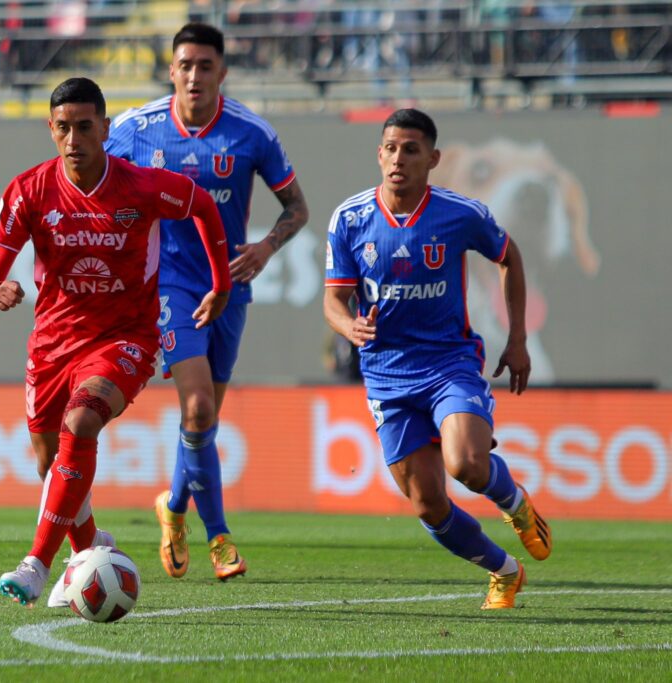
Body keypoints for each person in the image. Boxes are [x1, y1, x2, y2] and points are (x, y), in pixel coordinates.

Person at [0, 77, 231, 607]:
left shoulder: (141, 186)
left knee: (81, 421)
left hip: (125, 336)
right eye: (63, 127)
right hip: (51, 343)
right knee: (53, 466)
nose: (74, 138)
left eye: (85, 127)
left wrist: (220, 283)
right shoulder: (27, 191)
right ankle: (91, 549)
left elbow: (203, 204)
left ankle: (37, 566)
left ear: (105, 129)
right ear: (51, 129)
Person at [322, 108, 552, 609]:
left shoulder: (459, 213)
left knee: (467, 463)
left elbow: (509, 257)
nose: (398, 158)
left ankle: (514, 504)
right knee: (429, 504)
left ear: (433, 158)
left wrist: (517, 340)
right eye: (390, 148)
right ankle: (504, 571)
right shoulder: (350, 218)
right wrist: (348, 325)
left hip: (449, 363)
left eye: (411, 149)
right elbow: (334, 301)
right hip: (385, 375)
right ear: (378, 154)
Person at [105, 23, 309, 582]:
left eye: (205, 66)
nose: (194, 76)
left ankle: (172, 509)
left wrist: (266, 247)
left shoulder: (250, 134)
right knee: (196, 409)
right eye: (185, 65)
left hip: (230, 286)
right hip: (168, 284)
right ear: (171, 71)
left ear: (223, 72)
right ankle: (219, 537)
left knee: (205, 419)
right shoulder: (133, 129)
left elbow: (297, 208)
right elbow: (90, 183)